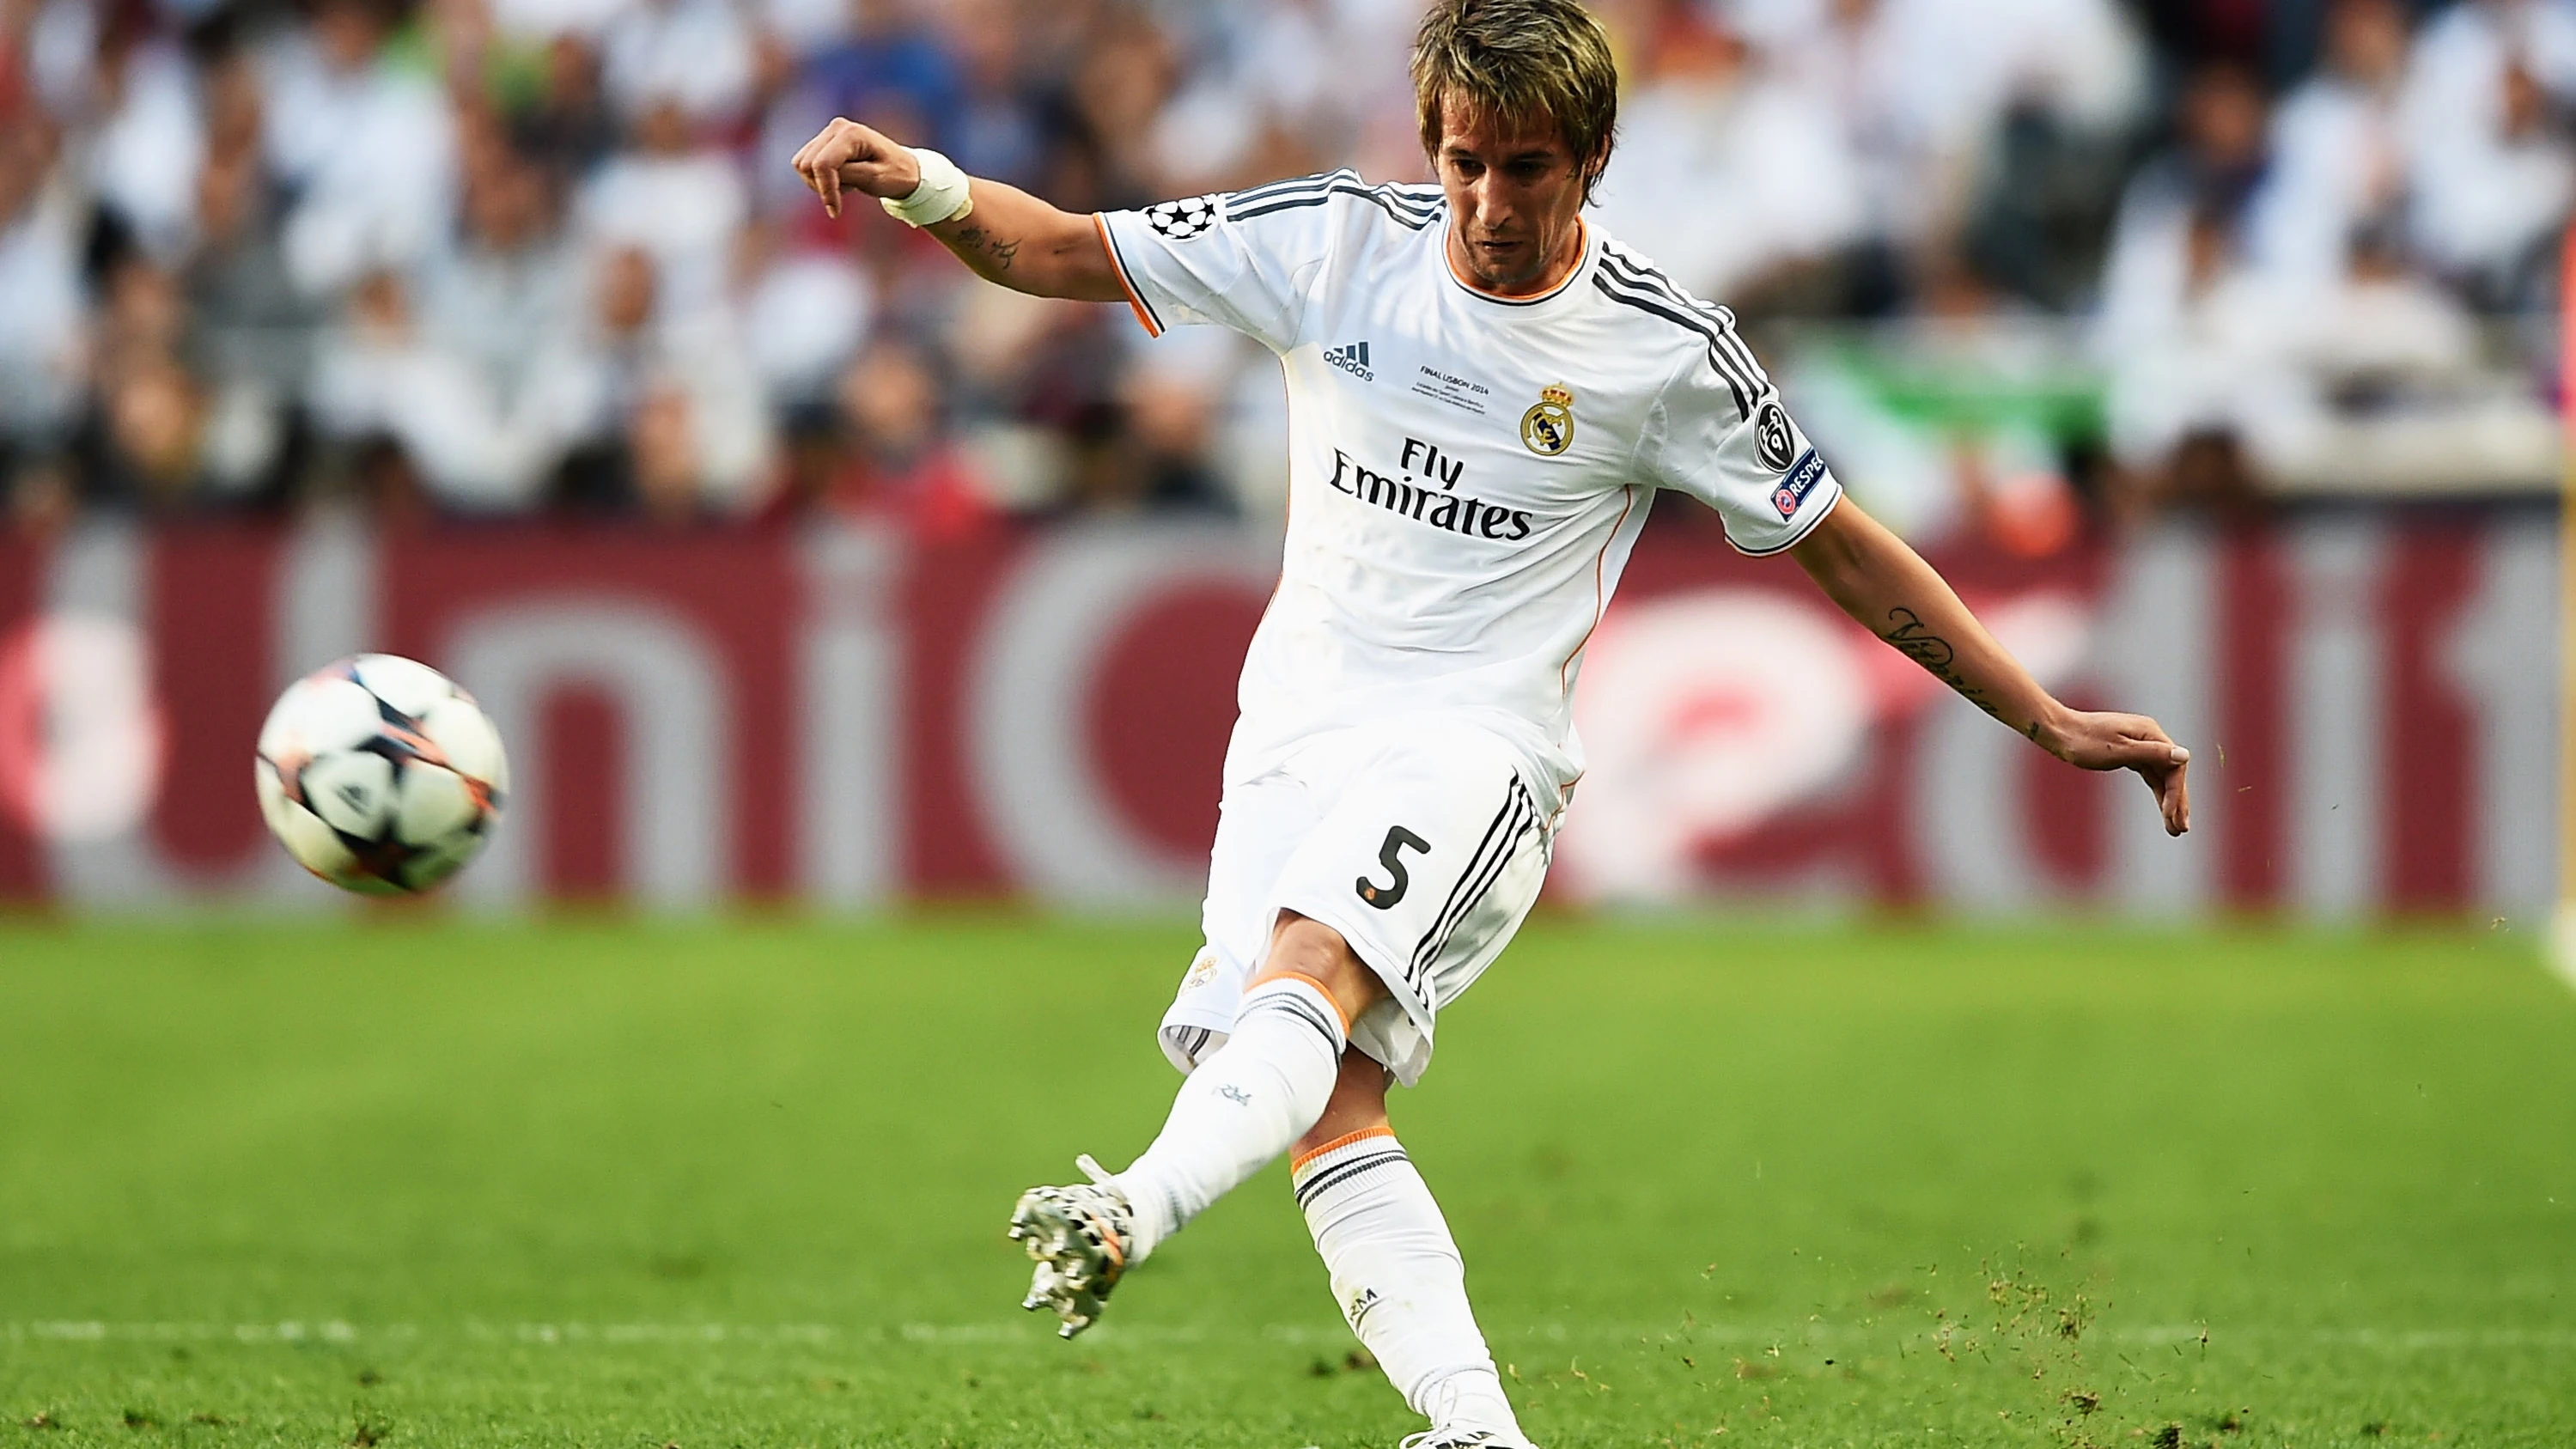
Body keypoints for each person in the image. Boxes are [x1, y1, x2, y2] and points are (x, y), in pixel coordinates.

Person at [792, 3, 2192, 1444]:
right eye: (1464, 162)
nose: (1488, 202)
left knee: (1312, 968)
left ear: (1589, 160)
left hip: (1477, 749)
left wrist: (2044, 717)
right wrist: (935, 186)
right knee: (1314, 1099)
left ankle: (1125, 1207)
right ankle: (1476, 1432)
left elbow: (1838, 541)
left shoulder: (1661, 351)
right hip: (1292, 733)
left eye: (1525, 169)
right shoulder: (1332, 242)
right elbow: (1061, 249)